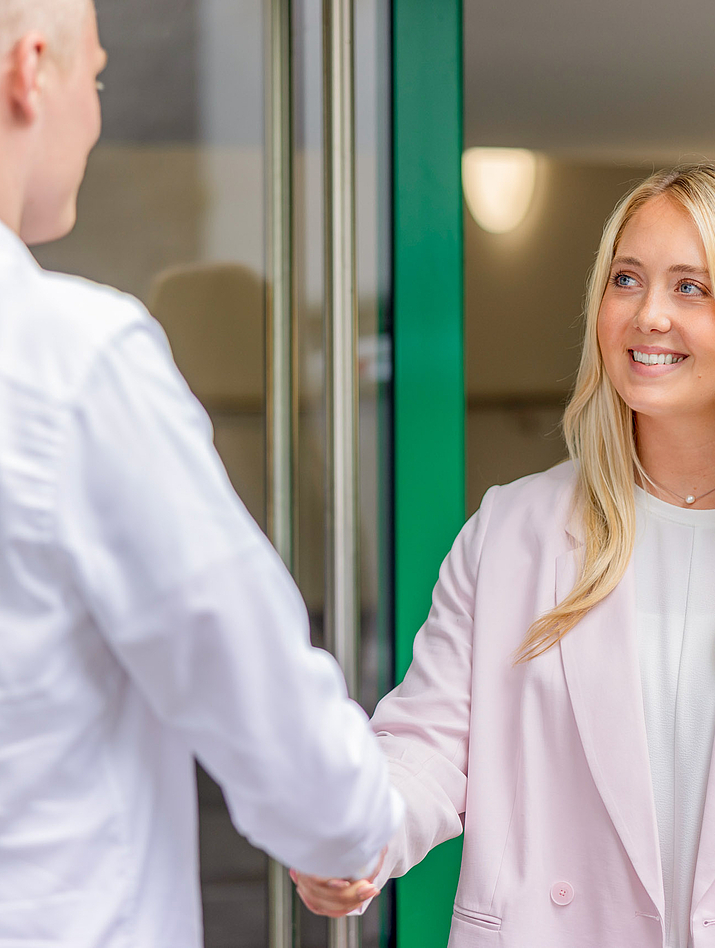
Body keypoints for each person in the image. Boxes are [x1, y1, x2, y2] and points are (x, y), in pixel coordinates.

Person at [294, 162, 715, 946]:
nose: (648, 316)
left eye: (691, 288)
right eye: (626, 280)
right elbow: (428, 745)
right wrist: (355, 832)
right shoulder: (514, 530)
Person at [0, 2, 400, 945]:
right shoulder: (73, 363)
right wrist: (352, 820)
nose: (94, 117)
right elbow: (251, 683)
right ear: (30, 71)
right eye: (93, 81)